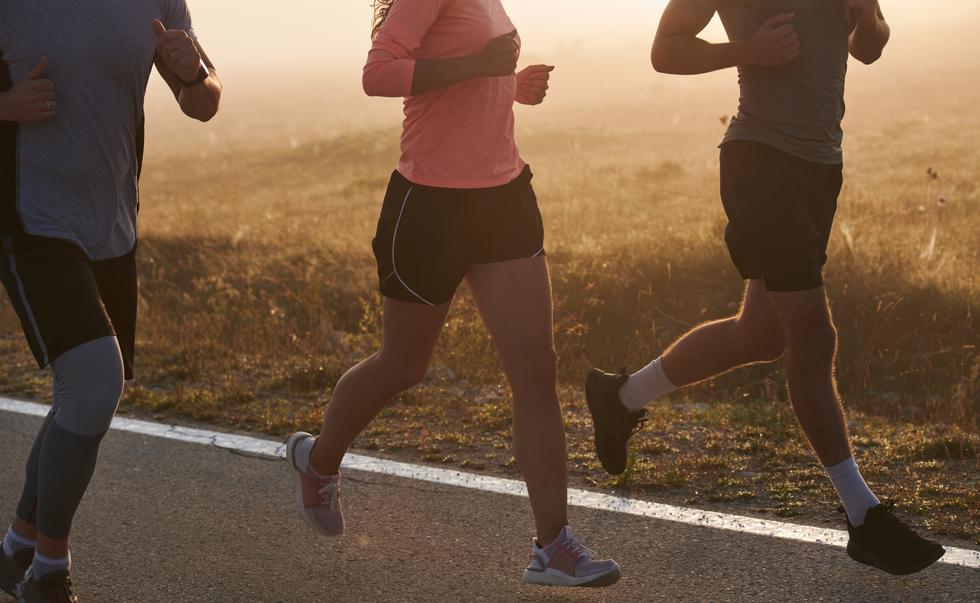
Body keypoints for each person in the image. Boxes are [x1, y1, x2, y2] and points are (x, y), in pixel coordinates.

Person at [585, 0, 945, 576]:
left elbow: (869, 46)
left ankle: (621, 397)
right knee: (811, 331)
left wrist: (866, 15)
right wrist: (747, 52)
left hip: (821, 165)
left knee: (760, 334)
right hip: (761, 159)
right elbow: (665, 50)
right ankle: (863, 517)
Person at [285, 0, 620, 588]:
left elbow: (469, 78)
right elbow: (377, 74)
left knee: (536, 371)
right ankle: (318, 461)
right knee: (404, 364)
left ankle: (553, 546)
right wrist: (475, 64)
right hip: (430, 207)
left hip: (503, 197)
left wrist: (510, 85)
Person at [0, 2, 221, 600]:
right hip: (29, 218)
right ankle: (49, 571)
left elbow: (203, 102)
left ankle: (18, 545)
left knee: (84, 392)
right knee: (95, 384)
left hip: (112, 222)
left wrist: (195, 75)